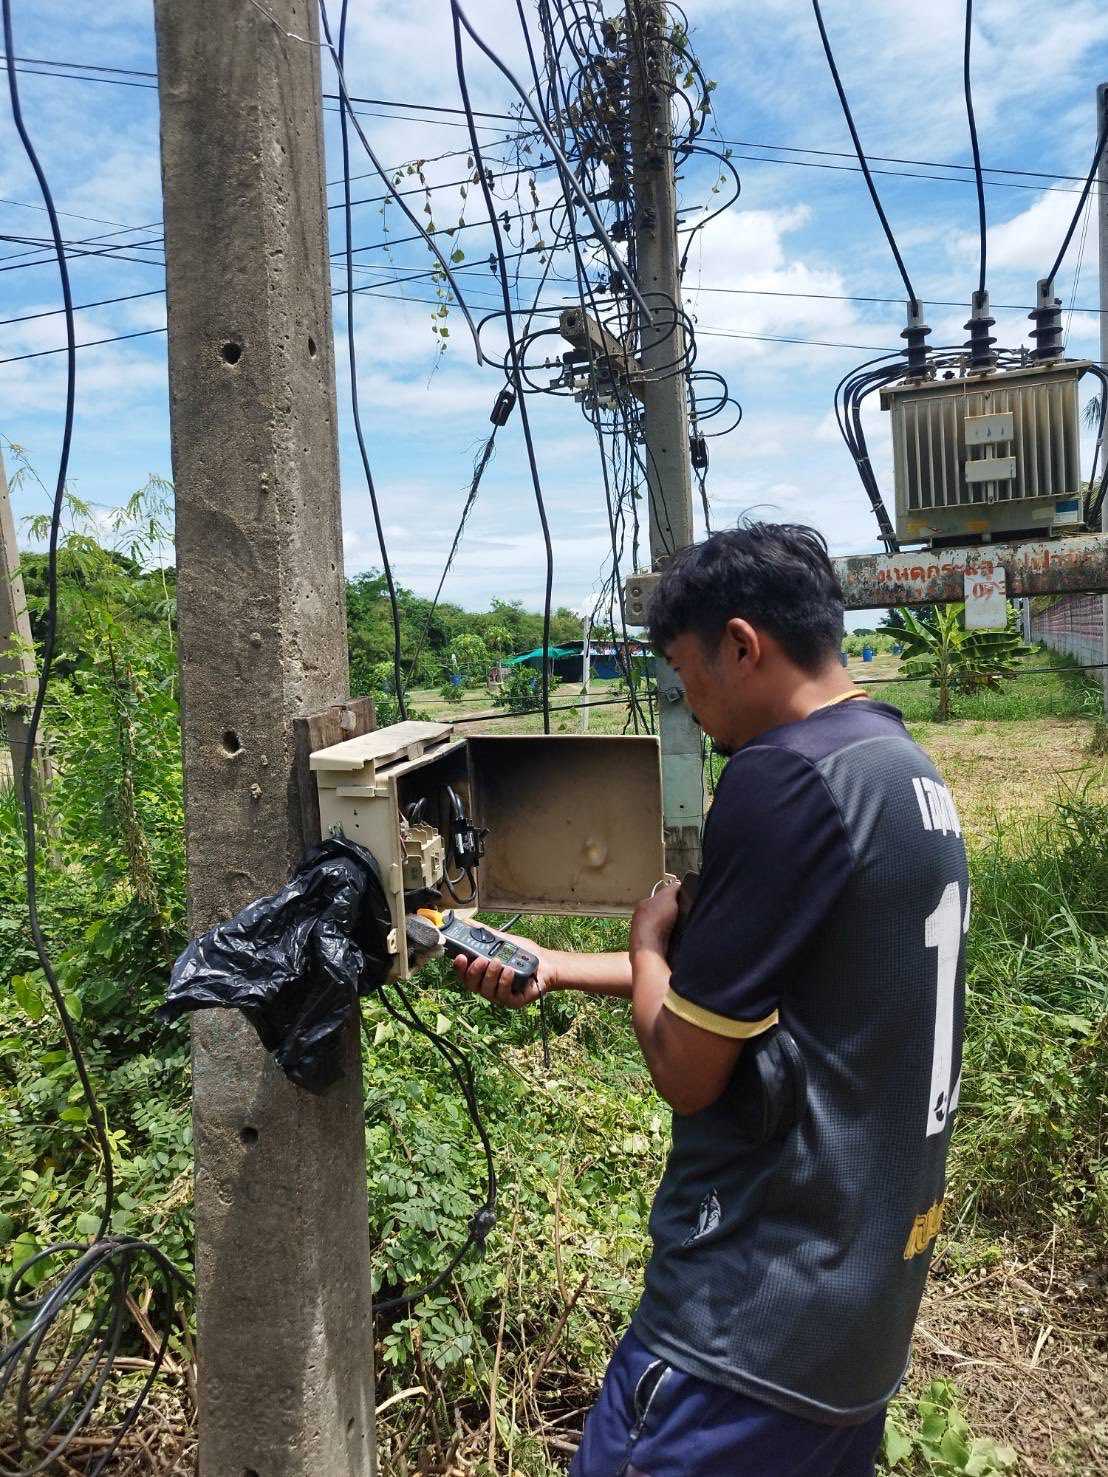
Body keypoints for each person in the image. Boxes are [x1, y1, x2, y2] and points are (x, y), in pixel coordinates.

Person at [453, 523, 968, 1477]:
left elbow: (687, 1067)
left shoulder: (780, 777)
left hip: (747, 1328)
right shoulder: (895, 766)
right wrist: (557, 963)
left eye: (684, 675)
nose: (688, 707)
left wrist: (647, 940)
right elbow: (755, 982)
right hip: (858, 1317)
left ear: (741, 645)